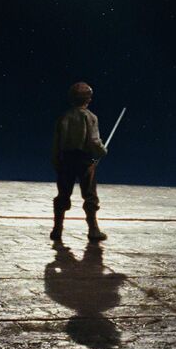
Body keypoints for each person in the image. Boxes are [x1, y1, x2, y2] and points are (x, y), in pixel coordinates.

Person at [51, 81, 108, 242]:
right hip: (84, 161)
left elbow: (57, 143)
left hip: (66, 160)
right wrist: (102, 151)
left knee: (63, 194)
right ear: (88, 99)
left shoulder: (64, 117)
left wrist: (56, 161)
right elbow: (94, 141)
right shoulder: (90, 117)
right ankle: (93, 229)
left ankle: (57, 229)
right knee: (90, 195)